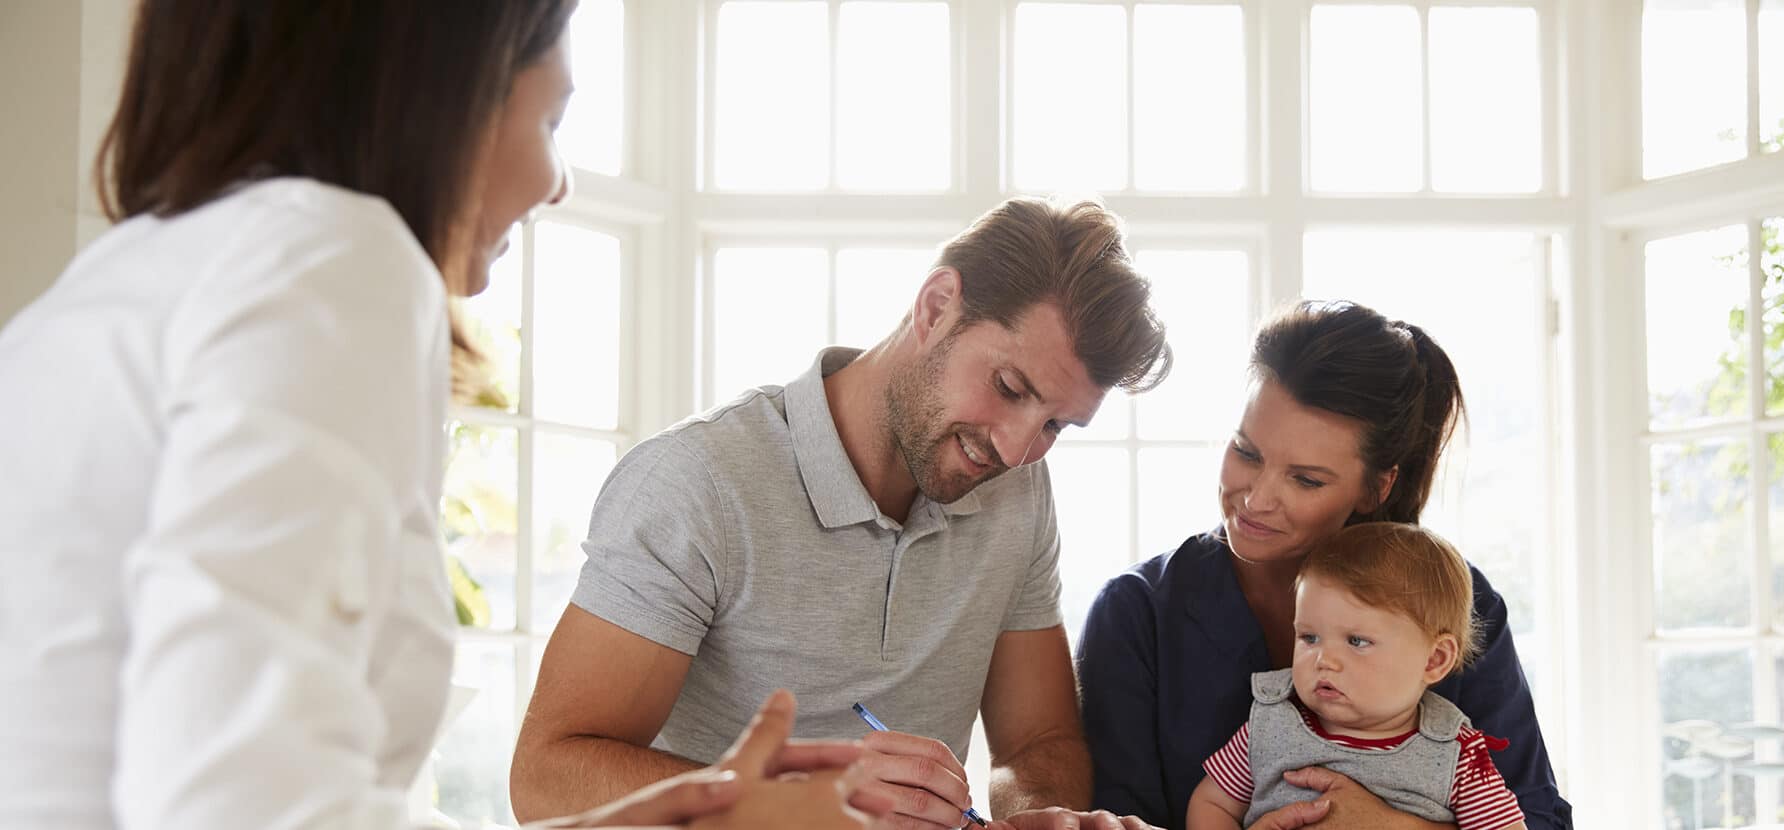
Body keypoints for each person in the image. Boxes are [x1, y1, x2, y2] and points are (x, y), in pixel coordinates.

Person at [0, 2, 878, 828]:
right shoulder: (333, 260)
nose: (558, 182)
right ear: (445, 92)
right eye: (551, 123)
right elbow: (236, 800)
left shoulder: (113, 287)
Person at [511, 197, 1172, 830]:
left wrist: (1031, 815)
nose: (1016, 447)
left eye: (1056, 424)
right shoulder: (698, 481)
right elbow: (546, 776)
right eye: (1008, 388)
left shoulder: (1020, 493)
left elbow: (1037, 739)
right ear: (938, 306)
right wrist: (788, 804)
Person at [1076, 300, 1572, 830]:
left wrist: (1387, 825)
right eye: (1246, 451)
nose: (1257, 499)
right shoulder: (1137, 613)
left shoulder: (1458, 604)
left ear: (1377, 487)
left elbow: (1538, 819)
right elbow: (1113, 822)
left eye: (1306, 480)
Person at [1185, 523, 1524, 830]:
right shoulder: (1270, 723)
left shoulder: (1456, 756)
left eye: (1357, 641)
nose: (1324, 660)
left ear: (1434, 660)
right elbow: (1212, 802)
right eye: (1309, 637)